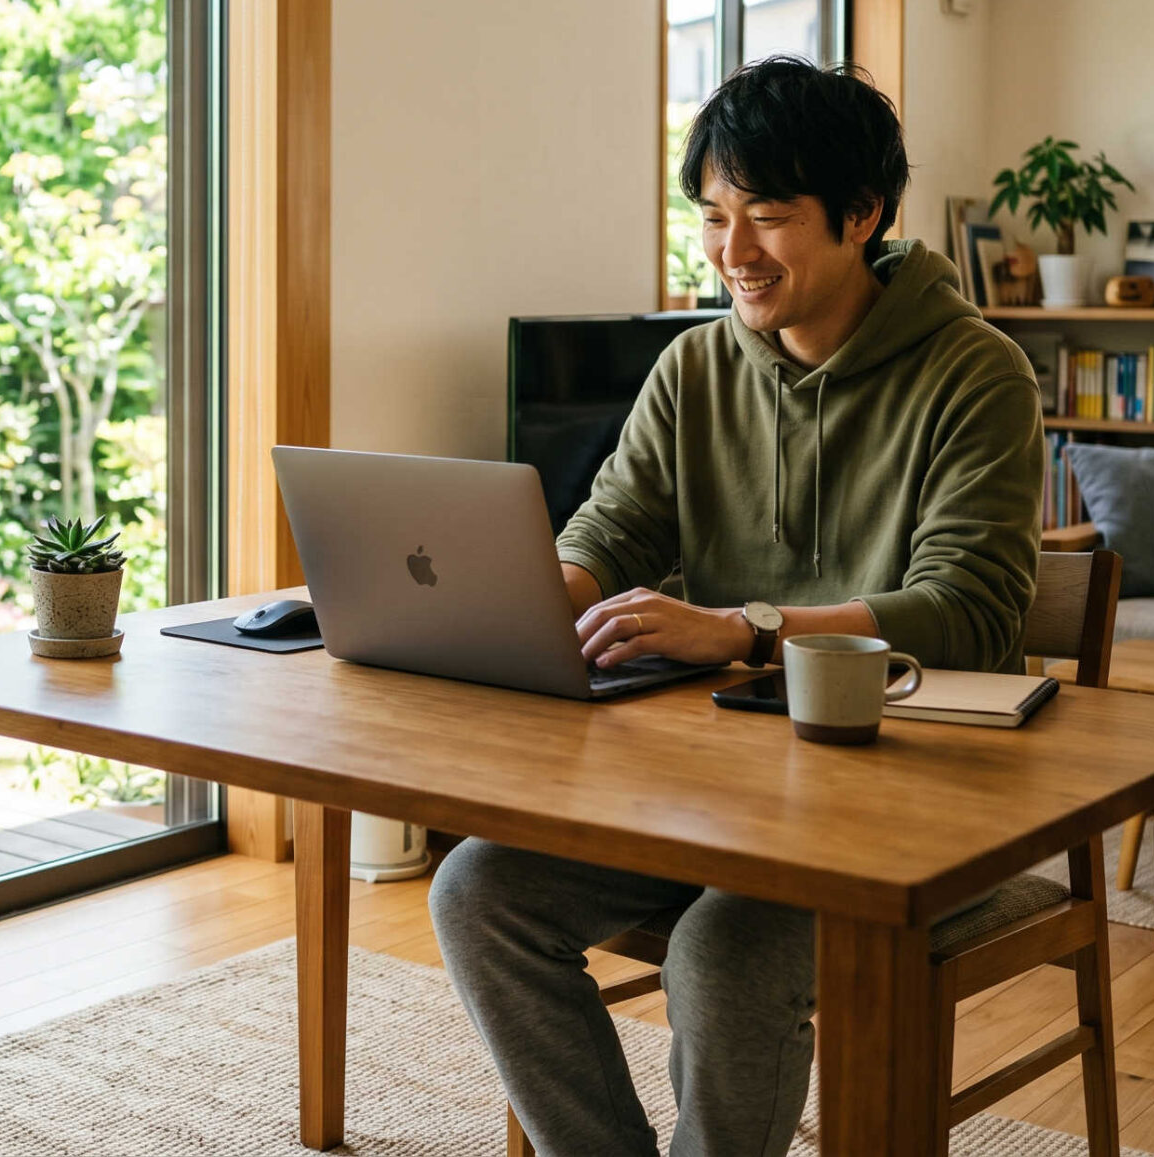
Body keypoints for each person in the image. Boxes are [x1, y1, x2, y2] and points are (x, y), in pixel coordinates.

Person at [430, 56, 1043, 1156]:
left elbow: (972, 611)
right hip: (717, 789)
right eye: (712, 217)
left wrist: (746, 629)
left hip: (913, 799)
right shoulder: (693, 367)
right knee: (478, 889)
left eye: (766, 216)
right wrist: (521, 609)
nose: (731, 252)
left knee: (721, 955)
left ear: (861, 215)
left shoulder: (977, 372)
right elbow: (611, 530)